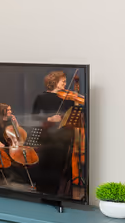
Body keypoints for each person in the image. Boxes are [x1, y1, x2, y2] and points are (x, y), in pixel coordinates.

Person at [31, 70, 86, 198]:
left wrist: (77, 100)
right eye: (63, 81)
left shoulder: (68, 98)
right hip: (48, 139)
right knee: (47, 168)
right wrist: (49, 119)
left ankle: (58, 195)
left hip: (64, 138)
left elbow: (76, 112)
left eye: (66, 81)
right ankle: (43, 194)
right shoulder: (41, 98)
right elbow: (33, 118)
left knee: (61, 169)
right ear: (54, 82)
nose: (65, 84)